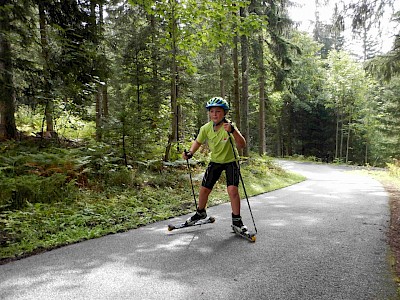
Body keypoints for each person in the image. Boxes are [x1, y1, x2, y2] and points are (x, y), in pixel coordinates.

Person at [182, 97, 247, 232]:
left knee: (232, 191)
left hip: (231, 162)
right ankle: (200, 212)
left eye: (218, 111)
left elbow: (242, 145)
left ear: (224, 113)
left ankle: (237, 220)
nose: (215, 114)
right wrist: (190, 153)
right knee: (204, 189)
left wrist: (233, 131)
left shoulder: (229, 127)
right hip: (215, 161)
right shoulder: (206, 128)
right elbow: (198, 142)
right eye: (212, 111)